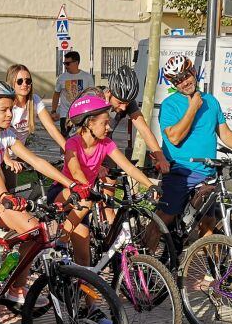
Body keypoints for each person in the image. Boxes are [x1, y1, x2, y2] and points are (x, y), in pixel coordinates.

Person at [0, 81, 84, 307]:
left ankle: (15, 289)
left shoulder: (6, 134)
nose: (10, 114)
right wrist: (5, 195)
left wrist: (71, 185)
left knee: (34, 232)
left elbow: (35, 160)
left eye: (11, 109)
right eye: (4, 109)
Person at [148, 54, 232, 245]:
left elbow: (225, 133)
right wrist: (192, 107)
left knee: (208, 222)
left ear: (194, 72)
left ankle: (212, 271)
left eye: (186, 76)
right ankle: (144, 263)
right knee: (163, 220)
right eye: (178, 81)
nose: (184, 82)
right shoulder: (170, 105)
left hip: (207, 173)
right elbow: (174, 138)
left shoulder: (211, 101)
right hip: (180, 172)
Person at [55, 92, 159, 287]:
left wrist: (151, 184)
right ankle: (60, 240)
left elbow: (128, 167)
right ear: (89, 124)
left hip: (83, 203)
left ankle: (91, 308)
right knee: (86, 200)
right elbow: (75, 169)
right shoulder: (73, 143)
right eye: (105, 123)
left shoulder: (106, 144)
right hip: (66, 196)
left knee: (85, 263)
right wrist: (86, 186)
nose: (109, 127)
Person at [3, 64, 66, 190]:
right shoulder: (6, 104)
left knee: (11, 192)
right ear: (11, 83)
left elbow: (51, 129)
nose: (25, 84)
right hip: (0, 154)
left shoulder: (34, 101)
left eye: (28, 80)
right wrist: (6, 159)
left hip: (16, 154)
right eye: (20, 81)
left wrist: (68, 148)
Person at [103, 66, 170, 174]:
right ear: (109, 93)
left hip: (105, 147)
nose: (124, 108)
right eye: (120, 102)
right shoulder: (95, 98)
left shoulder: (126, 102)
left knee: (110, 183)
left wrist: (161, 158)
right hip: (82, 148)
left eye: (127, 103)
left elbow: (144, 130)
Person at [50, 50, 95, 135]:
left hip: (82, 115)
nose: (65, 66)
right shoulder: (62, 77)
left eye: (68, 63)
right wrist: (53, 111)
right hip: (65, 115)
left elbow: (92, 96)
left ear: (76, 63)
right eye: (64, 63)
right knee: (65, 140)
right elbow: (56, 94)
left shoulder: (87, 77)